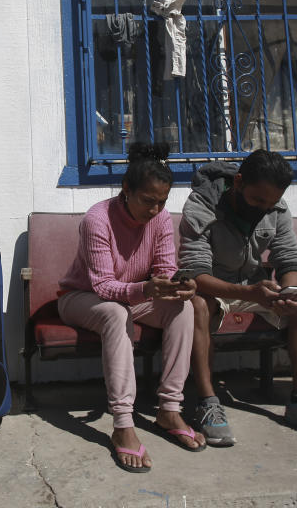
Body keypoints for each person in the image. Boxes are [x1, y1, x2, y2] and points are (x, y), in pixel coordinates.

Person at [58, 142, 205, 473]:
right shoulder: (98, 219)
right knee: (115, 311)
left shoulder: (162, 219)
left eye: (162, 202)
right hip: (81, 299)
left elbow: (165, 269)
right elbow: (104, 287)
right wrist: (148, 288)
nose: (155, 210)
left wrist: (178, 285)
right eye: (148, 201)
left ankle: (169, 408)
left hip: (131, 297)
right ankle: (123, 423)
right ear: (126, 189)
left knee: (185, 308)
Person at [179, 149, 297, 444]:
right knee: (195, 306)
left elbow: (291, 258)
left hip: (257, 288)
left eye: (270, 202)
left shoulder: (276, 207)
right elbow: (195, 272)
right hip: (214, 289)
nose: (263, 208)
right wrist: (248, 292)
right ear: (238, 182)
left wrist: (289, 290)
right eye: (257, 200)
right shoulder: (201, 204)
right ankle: (207, 403)